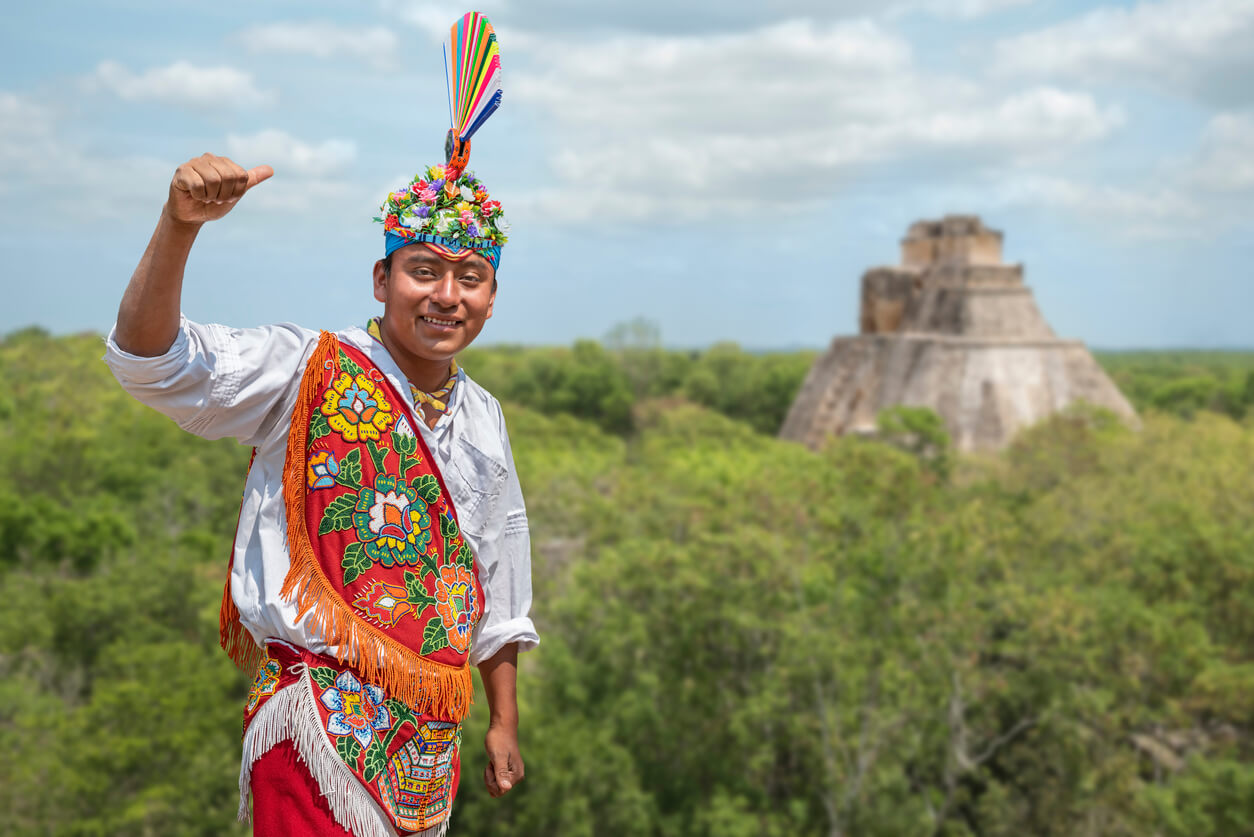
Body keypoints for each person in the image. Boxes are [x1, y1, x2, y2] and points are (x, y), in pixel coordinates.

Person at [104, 139, 537, 835]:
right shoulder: (307, 368)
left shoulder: (483, 416)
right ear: (381, 278)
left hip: (428, 747)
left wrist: (503, 720)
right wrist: (179, 226)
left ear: (491, 296)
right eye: (424, 271)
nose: (447, 296)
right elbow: (153, 362)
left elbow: (498, 578)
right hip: (318, 729)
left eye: (471, 277)